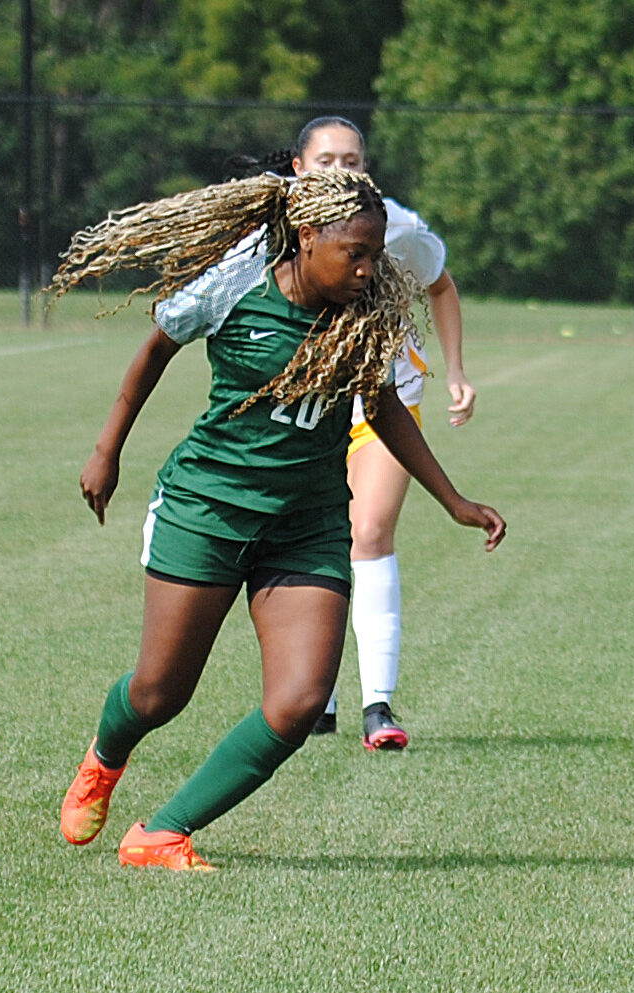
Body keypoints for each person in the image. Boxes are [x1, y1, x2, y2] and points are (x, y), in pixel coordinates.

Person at [48, 169, 507, 871]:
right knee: (158, 691)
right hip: (208, 508)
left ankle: (162, 832)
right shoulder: (237, 282)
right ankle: (104, 760)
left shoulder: (366, 310)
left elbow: (381, 405)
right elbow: (154, 351)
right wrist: (106, 452)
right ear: (305, 237)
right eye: (351, 251)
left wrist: (452, 500)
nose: (365, 268)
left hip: (308, 523)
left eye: (374, 252)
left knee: (297, 703)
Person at [236, 116, 480, 750]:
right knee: (307, 539)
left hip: (386, 403)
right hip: (306, 410)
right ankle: (320, 696)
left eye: (353, 159)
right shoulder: (271, 230)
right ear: (298, 167)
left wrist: (455, 370)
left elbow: (440, 282)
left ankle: (378, 702)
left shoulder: (394, 224)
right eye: (327, 160)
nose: (341, 170)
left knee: (369, 531)